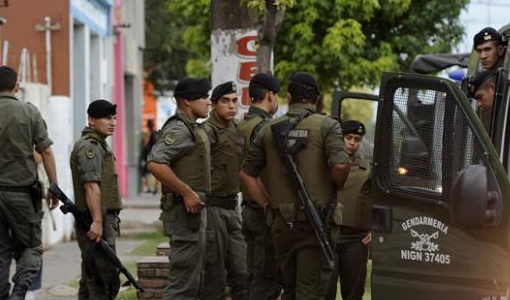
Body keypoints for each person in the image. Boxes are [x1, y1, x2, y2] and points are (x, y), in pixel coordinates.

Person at [240, 71, 351, 300]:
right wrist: (336, 185)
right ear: (316, 98)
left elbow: (247, 174)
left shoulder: (268, 129)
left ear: (289, 97)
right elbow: (340, 166)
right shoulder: (327, 126)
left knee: (288, 289)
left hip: (281, 225)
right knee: (309, 291)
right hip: (315, 224)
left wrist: (268, 205)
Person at [147, 78, 211, 299]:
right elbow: (155, 163)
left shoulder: (192, 127)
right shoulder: (179, 129)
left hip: (192, 217)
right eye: (204, 97)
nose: (208, 102)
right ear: (187, 101)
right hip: (184, 217)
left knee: (193, 283)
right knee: (182, 286)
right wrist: (187, 193)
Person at [0, 65, 58, 300]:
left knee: (1, 251)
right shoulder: (29, 112)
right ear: (17, 85)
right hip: (22, 194)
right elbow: (46, 152)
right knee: (32, 247)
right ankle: (19, 293)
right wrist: (53, 186)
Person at [70, 99, 122, 300]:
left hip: (99, 219)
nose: (113, 122)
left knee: (91, 277)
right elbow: (91, 186)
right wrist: (98, 222)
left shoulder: (99, 145)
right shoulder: (89, 147)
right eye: (107, 118)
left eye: (115, 118)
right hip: (95, 220)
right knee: (103, 278)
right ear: (92, 120)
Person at [200, 81, 247, 300]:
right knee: (214, 275)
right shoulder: (206, 132)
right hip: (212, 209)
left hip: (233, 207)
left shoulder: (239, 129)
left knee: (242, 271)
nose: (231, 106)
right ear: (214, 104)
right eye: (225, 102)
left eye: (234, 101)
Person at [238, 73, 281, 300]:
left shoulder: (242, 124)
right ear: (271, 95)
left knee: (253, 273)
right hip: (263, 210)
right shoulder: (266, 127)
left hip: (247, 208)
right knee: (266, 278)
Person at [326, 120, 372, 300]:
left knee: (353, 292)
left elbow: (378, 200)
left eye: (357, 139)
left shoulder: (367, 169)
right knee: (325, 290)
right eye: (348, 138)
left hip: (355, 239)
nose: (352, 143)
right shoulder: (326, 165)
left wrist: (375, 228)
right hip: (328, 235)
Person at [140, 119, 158, 193]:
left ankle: (148, 188)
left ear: (147, 125)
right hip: (156, 154)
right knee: (157, 172)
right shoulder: (156, 133)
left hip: (149, 155)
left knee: (147, 172)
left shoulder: (148, 133)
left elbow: (145, 144)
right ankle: (156, 188)